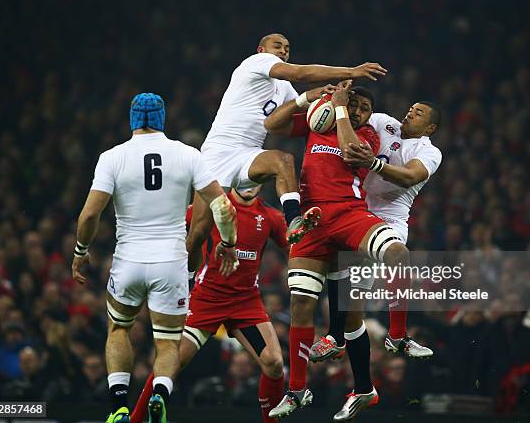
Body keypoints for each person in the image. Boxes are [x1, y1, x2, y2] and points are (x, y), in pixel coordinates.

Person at [71, 93, 238, 423]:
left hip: (128, 261)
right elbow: (223, 207)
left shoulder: (112, 157)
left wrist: (80, 251)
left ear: (131, 119)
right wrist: (229, 243)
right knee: (168, 343)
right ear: (162, 119)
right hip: (170, 264)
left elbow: (90, 215)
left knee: (119, 329)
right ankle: (160, 395)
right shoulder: (188, 155)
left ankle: (119, 405)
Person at [262, 81, 411, 419]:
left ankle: (398, 335)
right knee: (300, 302)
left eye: (365, 109)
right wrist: (306, 97)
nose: (359, 111)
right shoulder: (319, 121)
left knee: (396, 255)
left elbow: (348, 151)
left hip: (349, 213)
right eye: (355, 104)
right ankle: (297, 390)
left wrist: (342, 107)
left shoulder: (368, 139)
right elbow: (272, 125)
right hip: (312, 220)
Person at [187, 33, 387, 269]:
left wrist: (332, 97)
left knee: (282, 160)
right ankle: (185, 282)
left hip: (249, 153)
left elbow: (307, 115)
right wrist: (351, 71)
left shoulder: (284, 88)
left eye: (287, 48)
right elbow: (300, 73)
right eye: (277, 46)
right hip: (218, 152)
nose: (283, 50)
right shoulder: (255, 63)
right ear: (261, 50)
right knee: (199, 232)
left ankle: (293, 220)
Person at [309, 101, 443, 420]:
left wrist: (375, 163)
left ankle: (397, 335)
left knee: (398, 255)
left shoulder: (429, 151)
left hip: (388, 220)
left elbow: (410, 177)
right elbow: (355, 124)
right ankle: (364, 388)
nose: (410, 112)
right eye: (411, 108)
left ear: (430, 128)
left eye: (419, 113)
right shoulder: (383, 122)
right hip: (354, 213)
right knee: (354, 314)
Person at [131, 185, 289, 423]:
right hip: (207, 299)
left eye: (254, 180)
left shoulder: (271, 216)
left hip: (246, 302)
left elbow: (294, 247)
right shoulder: (212, 205)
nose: (249, 185)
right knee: (172, 362)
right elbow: (172, 226)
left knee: (274, 363)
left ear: (261, 181)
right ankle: (135, 419)